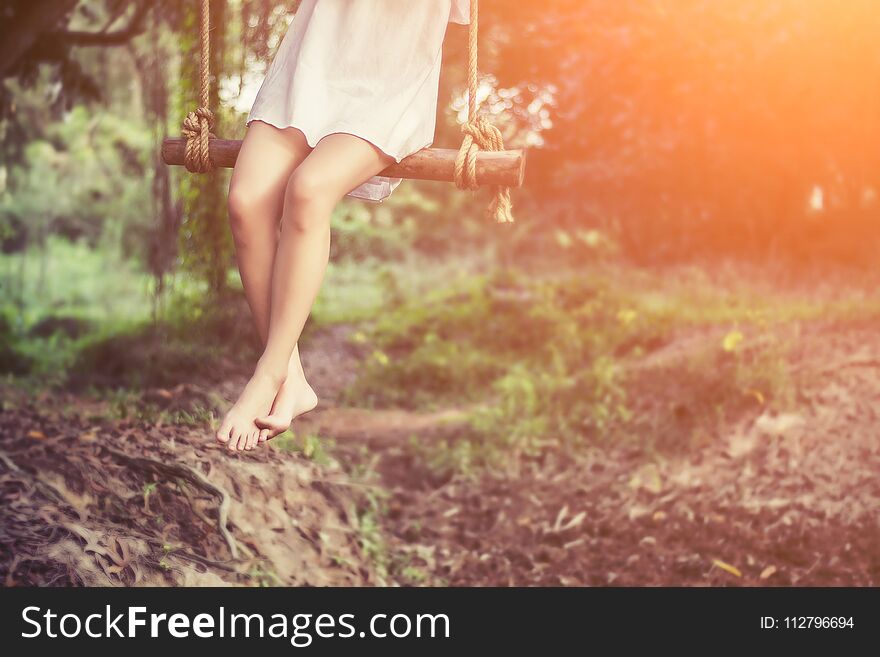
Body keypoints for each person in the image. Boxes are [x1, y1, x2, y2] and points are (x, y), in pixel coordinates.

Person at [217, 0, 470, 451]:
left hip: (389, 78)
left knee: (309, 190)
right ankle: (290, 378)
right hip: (311, 59)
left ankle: (268, 373)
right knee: (245, 203)